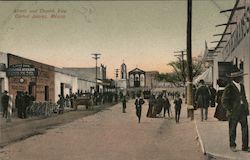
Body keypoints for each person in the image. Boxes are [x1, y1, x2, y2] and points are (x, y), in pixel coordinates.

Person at [222, 69, 250, 152]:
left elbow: (244, 97)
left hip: (242, 111)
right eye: (240, 77)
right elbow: (224, 100)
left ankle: (245, 147)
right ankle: (232, 145)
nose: (241, 78)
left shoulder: (242, 86)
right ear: (234, 78)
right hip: (233, 112)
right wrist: (230, 109)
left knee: (245, 129)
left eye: (241, 76)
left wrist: (246, 106)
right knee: (232, 129)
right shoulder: (229, 87)